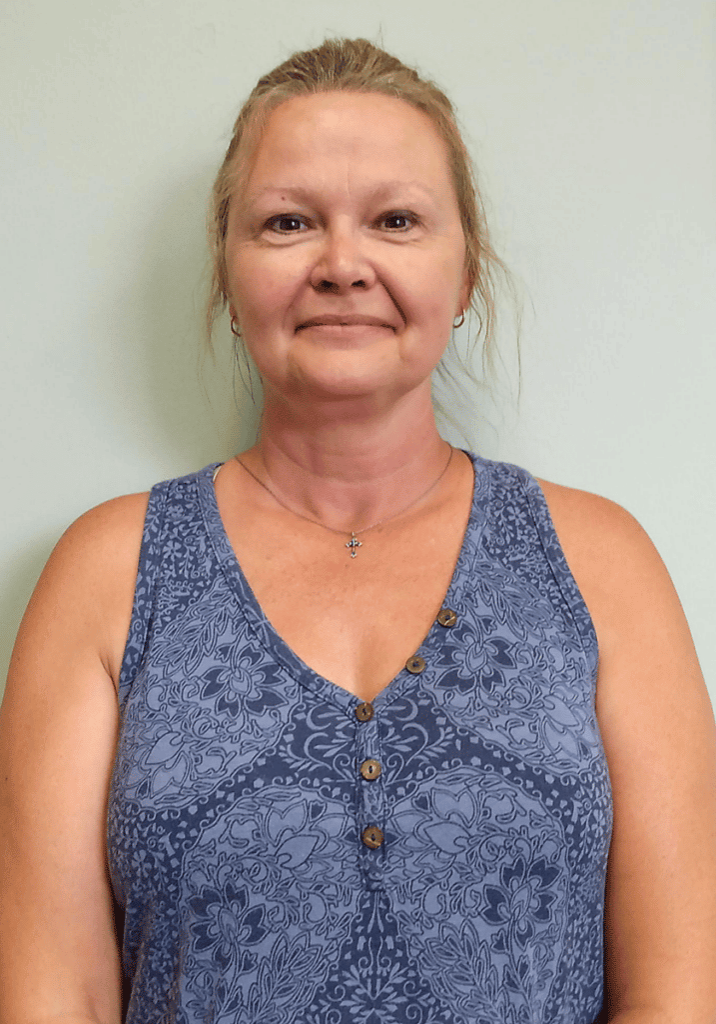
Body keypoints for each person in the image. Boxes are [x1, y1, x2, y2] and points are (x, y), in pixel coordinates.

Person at [1, 37, 715, 1024]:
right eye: (288, 222)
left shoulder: (600, 564)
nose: (343, 263)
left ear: (463, 273)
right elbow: (52, 994)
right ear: (227, 269)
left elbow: (678, 991)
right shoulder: (109, 573)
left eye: (395, 219)